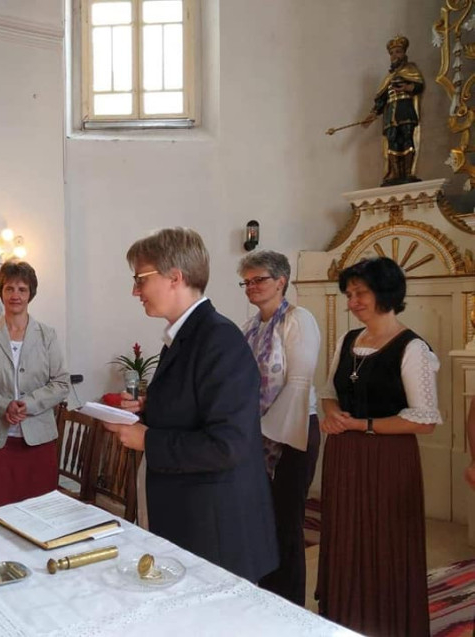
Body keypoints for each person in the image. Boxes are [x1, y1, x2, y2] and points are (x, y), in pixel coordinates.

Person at [105, 227, 278, 583]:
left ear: (175, 277)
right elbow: (194, 407)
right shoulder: (186, 335)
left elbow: (227, 444)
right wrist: (147, 409)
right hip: (192, 518)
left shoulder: (219, 339)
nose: (135, 291)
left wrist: (147, 439)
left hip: (217, 530)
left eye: (140, 279)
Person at [318, 256, 439, 636]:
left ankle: (387, 624)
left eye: (361, 293)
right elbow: (328, 392)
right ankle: (345, 621)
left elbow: (424, 420)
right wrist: (333, 414)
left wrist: (362, 425)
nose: (353, 302)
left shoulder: (412, 348)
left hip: (388, 461)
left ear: (385, 293)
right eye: (349, 294)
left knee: (384, 543)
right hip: (344, 456)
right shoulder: (347, 340)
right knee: (346, 539)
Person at [238, 251, 321, 606]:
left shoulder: (298, 320)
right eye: (246, 282)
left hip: (294, 429)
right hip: (257, 435)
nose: (251, 287)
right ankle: (265, 598)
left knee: (286, 523)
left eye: (259, 279)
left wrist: (265, 433)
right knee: (261, 519)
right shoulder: (250, 327)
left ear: (281, 281)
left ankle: (290, 608)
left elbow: (298, 383)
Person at [0, 261, 71, 508]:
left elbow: (61, 383)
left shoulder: (47, 335)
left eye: (22, 289)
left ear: (30, 294)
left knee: (41, 512)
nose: (15, 295)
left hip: (39, 442)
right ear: (1, 292)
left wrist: (28, 404)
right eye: (9, 288)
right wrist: (4, 406)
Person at [363, 35, 424, 186]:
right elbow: (381, 99)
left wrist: (407, 87)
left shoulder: (411, 70)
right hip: (390, 114)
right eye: (392, 53)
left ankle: (408, 172)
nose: (395, 55)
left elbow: (419, 86)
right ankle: (396, 173)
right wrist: (373, 113)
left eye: (398, 52)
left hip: (405, 110)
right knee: (392, 140)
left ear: (404, 53)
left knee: (407, 138)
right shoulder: (388, 78)